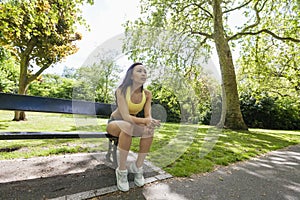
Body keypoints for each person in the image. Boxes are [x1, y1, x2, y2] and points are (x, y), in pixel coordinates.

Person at [106, 62, 160, 192]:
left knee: (149, 129)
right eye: (139, 71)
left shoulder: (147, 94)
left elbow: (148, 115)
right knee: (127, 126)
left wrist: (151, 121)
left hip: (131, 124)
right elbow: (125, 116)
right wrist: (146, 120)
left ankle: (138, 167)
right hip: (115, 123)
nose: (143, 73)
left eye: (145, 72)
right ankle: (122, 171)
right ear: (131, 75)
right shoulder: (121, 90)